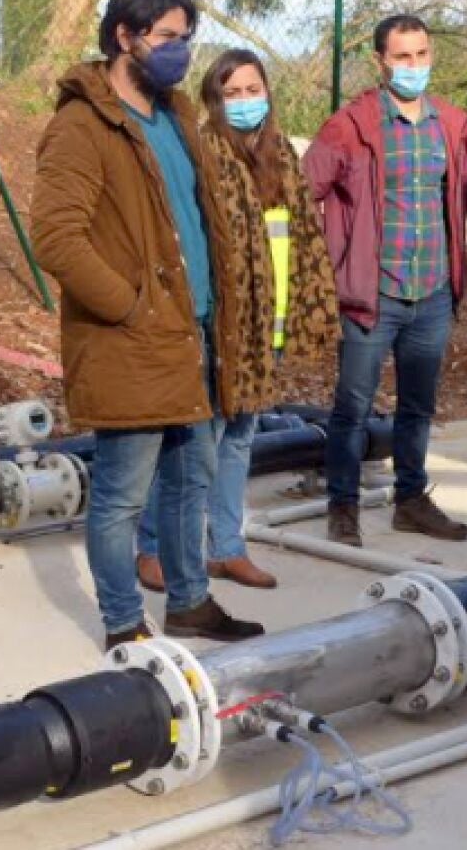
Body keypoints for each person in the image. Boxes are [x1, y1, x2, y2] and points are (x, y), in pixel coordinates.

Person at [30, 0, 267, 650]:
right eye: (167, 37)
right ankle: (123, 624)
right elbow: (56, 237)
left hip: (195, 333)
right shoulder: (83, 127)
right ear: (124, 37)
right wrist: (130, 308)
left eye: (186, 38)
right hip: (133, 340)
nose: (181, 51)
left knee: (191, 482)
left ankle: (190, 603)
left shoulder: (177, 118)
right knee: (122, 497)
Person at [135, 49, 341, 593]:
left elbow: (303, 238)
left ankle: (226, 548)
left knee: (240, 440)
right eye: (233, 93)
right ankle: (152, 547)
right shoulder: (203, 153)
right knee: (194, 445)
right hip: (226, 325)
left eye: (253, 90)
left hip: (269, 324)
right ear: (214, 100)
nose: (245, 101)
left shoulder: (281, 153)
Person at [303, 14, 467, 548]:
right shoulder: (349, 127)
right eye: (402, 56)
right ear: (380, 61)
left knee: (418, 406)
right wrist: (334, 259)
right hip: (372, 295)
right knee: (352, 407)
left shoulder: (452, 124)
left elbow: (461, 198)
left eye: (421, 54)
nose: (413, 65)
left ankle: (411, 501)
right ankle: (343, 507)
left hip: (433, 292)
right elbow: (303, 191)